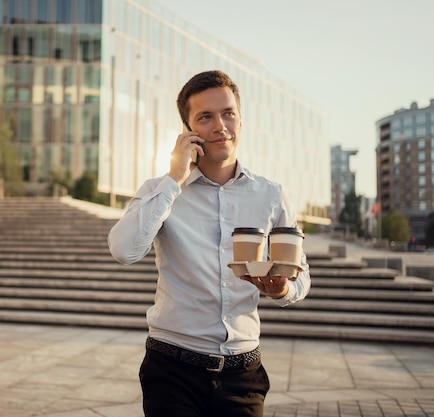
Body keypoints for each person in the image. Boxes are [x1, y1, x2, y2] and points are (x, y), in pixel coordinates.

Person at [107, 70, 311, 417]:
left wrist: (281, 291)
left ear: (241, 121)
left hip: (243, 376)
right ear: (188, 131)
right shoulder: (161, 190)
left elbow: (302, 276)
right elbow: (124, 251)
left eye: (228, 113)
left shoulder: (271, 194)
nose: (220, 126)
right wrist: (174, 178)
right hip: (172, 370)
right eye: (205, 117)